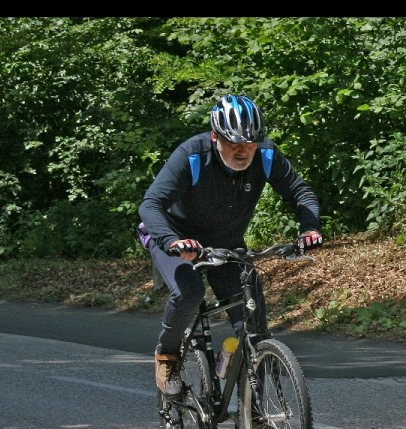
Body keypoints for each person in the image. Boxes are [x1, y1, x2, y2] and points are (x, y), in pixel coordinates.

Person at [138, 94, 323, 406]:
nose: (243, 150)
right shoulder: (192, 155)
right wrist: (171, 241)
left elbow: (300, 191)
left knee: (254, 327)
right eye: (234, 142)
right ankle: (168, 356)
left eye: (250, 142)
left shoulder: (265, 155)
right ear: (215, 136)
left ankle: (256, 416)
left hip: (226, 244)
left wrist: (309, 227)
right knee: (190, 293)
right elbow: (150, 204)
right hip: (175, 240)